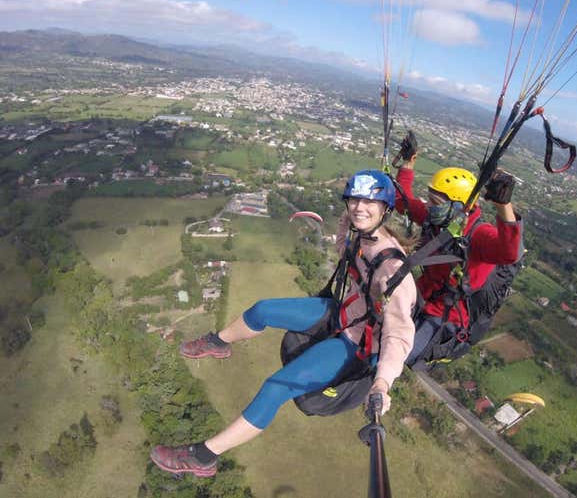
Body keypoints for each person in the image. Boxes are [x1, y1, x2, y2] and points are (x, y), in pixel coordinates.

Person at [150, 169, 417, 477]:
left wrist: (382, 383)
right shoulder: (365, 234)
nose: (359, 207)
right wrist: (348, 223)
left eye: (369, 202)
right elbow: (345, 249)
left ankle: (203, 456)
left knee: (275, 388)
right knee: (263, 310)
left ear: (385, 208)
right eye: (355, 199)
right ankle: (218, 343)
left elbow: (399, 335)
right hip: (340, 315)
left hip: (355, 344)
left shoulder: (394, 270)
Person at [393, 133, 522, 365]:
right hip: (422, 293)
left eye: (436, 202)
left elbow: (509, 251)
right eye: (430, 199)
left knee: (397, 355)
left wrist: (504, 205)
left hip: (446, 316)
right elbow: (402, 201)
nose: (429, 205)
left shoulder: (478, 235)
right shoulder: (438, 218)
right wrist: (408, 162)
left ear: (459, 206)